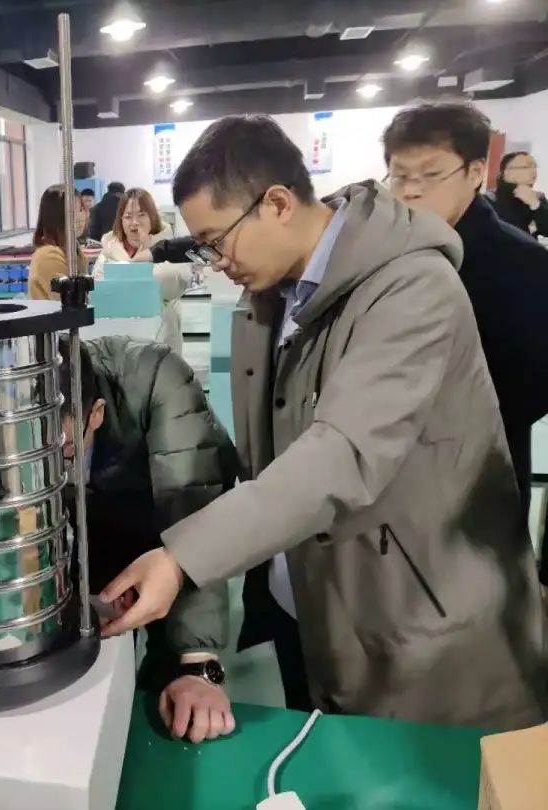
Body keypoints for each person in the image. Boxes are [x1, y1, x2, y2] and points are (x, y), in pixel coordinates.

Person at [101, 114, 546, 731]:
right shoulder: (267, 300)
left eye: (216, 240)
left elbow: (340, 457)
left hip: (419, 624)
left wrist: (182, 559)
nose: (215, 261)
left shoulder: (411, 288)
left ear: (278, 203)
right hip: (314, 611)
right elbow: (268, 462)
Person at [382, 104, 548, 559]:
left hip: (475, 487)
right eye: (399, 176)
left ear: (475, 173)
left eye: (431, 175)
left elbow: (532, 386)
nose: (411, 190)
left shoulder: (521, 262)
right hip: (393, 479)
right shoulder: (390, 253)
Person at [61, 335, 239, 742]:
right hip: (101, 509)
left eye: (65, 449)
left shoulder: (159, 379)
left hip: (170, 507)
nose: (53, 466)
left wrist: (197, 664)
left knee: (166, 637)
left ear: (96, 413)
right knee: (104, 623)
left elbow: (193, 514)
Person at [93, 187, 190, 353]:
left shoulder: (167, 245)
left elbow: (174, 283)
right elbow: (98, 287)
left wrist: (144, 255)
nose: (134, 222)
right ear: (120, 221)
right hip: (120, 341)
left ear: (152, 217)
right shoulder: (109, 249)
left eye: (141, 215)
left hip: (161, 339)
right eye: (127, 217)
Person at [28, 184, 88, 301]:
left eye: (81, 209)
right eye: (73, 212)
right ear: (55, 216)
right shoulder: (48, 255)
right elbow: (68, 300)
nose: (81, 216)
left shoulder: (73, 249)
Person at [489, 151, 548, 238]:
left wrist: (535, 205)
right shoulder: (489, 199)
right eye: (526, 167)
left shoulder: (538, 198)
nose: (533, 171)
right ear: (507, 172)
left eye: (534, 166)